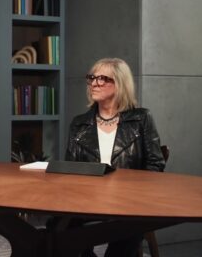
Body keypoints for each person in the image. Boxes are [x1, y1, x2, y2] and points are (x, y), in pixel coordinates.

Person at [64, 57, 165, 257]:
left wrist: (134, 193)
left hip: (130, 201)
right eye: (92, 78)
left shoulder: (141, 119)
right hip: (86, 200)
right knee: (61, 229)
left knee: (128, 231)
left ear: (120, 84)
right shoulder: (79, 124)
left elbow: (155, 163)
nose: (94, 83)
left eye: (103, 79)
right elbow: (70, 168)